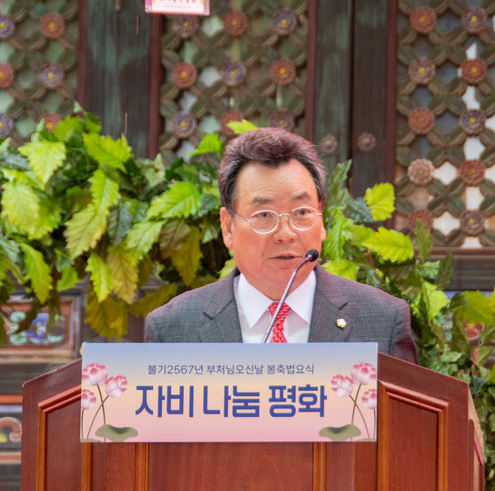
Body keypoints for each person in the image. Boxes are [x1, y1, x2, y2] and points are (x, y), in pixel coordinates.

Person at [144, 127, 418, 363]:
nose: (285, 234)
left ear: (321, 222)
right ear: (228, 228)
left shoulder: (382, 320)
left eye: (301, 213)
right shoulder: (173, 328)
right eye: (264, 215)